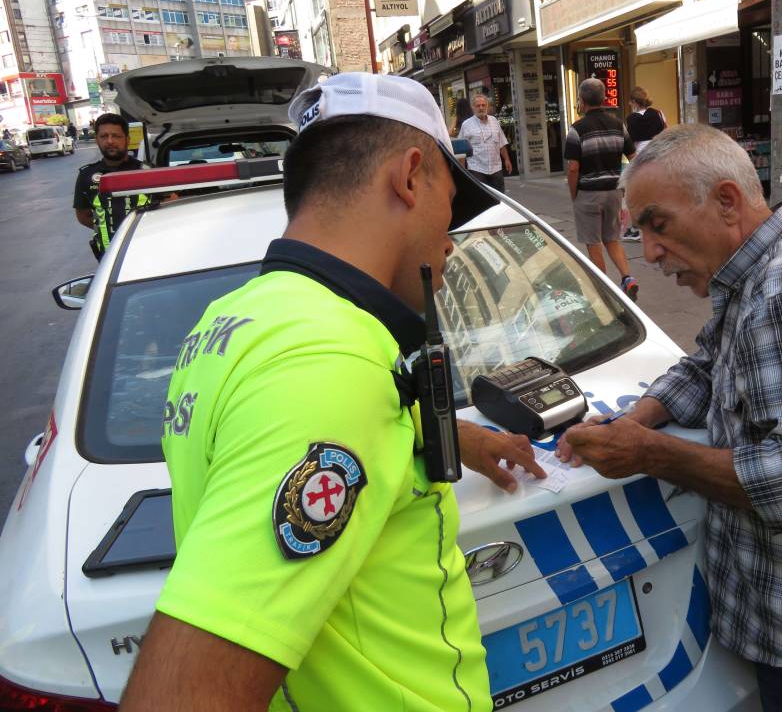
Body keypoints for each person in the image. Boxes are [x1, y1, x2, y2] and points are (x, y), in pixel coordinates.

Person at [118, 72, 545, 712]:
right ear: (409, 176)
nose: (448, 240)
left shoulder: (235, 319)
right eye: (449, 205)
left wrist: (458, 437)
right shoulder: (332, 359)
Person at [557, 124, 782, 712]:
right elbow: (710, 359)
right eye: (641, 232)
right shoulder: (759, 267)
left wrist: (650, 455)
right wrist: (642, 417)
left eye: (658, 225)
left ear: (727, 202)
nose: (650, 253)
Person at [565, 77, 640, 301]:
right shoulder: (618, 125)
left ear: (582, 101)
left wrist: (573, 194)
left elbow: (573, 168)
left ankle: (604, 290)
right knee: (612, 238)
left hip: (588, 193)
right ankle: (628, 278)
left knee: (593, 242)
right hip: (614, 192)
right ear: (603, 99)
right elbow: (633, 157)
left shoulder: (576, 129)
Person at [72, 113, 148, 260]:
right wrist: (106, 228)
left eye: (116, 136)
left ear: (128, 139)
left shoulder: (148, 172)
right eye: (104, 136)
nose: (110, 141)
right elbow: (83, 216)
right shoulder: (87, 175)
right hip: (109, 260)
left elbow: (170, 203)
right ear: (97, 140)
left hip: (147, 252)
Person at [620, 87, 669, 242]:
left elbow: (629, 143)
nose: (629, 103)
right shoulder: (659, 114)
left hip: (640, 160)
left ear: (634, 102)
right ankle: (661, 224)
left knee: (636, 195)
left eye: (630, 101)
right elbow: (666, 133)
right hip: (658, 157)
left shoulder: (630, 119)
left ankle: (635, 229)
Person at [458, 93, 512, 193]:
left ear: (487, 106)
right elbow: (462, 149)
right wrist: (462, 170)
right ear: (473, 108)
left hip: (496, 168)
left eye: (483, 105)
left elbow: (501, 142)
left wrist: (507, 159)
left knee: (499, 199)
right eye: (478, 106)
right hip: (477, 169)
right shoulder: (466, 125)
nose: (481, 108)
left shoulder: (494, 121)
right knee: (482, 198)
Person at [450, 96, 474, 163]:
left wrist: (457, 132)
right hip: (473, 144)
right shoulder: (473, 116)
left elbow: (450, 132)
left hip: (463, 145)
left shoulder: (457, 118)